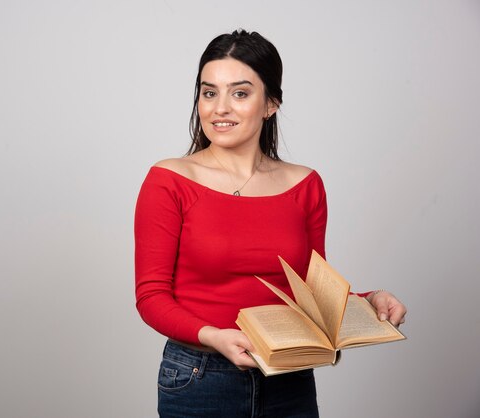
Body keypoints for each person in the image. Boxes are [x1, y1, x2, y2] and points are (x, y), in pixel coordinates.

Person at [134, 29, 407, 418]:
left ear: (271, 104)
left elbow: (311, 295)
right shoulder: (169, 180)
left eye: (240, 93)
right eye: (209, 92)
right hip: (201, 376)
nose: (219, 108)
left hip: (288, 377)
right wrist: (214, 337)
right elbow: (151, 297)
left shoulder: (305, 185)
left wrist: (367, 303)